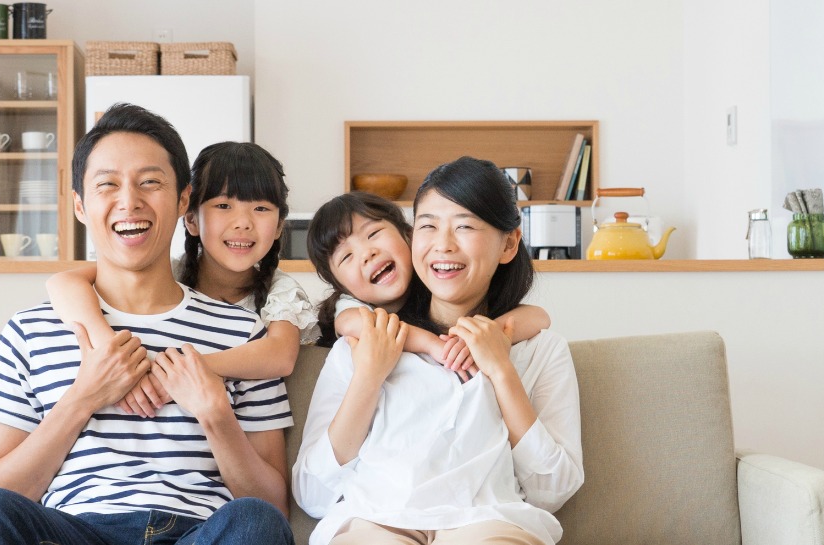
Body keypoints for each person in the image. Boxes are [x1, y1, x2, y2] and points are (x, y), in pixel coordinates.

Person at [0, 103, 295, 545]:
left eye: (150, 182)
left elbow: (274, 510)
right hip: (72, 532)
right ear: (80, 204)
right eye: (107, 184)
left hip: (197, 534)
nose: (129, 201)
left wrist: (216, 414)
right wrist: (83, 397)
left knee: (256, 522)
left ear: (183, 200)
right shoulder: (30, 331)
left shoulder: (242, 335)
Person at [293, 157, 584, 545]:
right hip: (374, 521)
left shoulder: (540, 349)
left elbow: (553, 490)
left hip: (490, 522)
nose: (443, 244)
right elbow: (313, 494)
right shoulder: (363, 343)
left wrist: (501, 371)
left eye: (464, 226)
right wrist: (369, 377)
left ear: (509, 243)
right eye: (429, 225)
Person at [45, 141, 313, 418]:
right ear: (191, 219)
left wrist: (178, 372)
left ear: (279, 226)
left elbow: (280, 356)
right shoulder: (168, 273)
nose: (243, 222)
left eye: (261, 209)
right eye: (223, 205)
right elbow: (62, 284)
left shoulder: (282, 291)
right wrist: (109, 350)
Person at [306, 192, 551, 378]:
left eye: (373, 234)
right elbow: (359, 324)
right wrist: (434, 346)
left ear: (408, 234)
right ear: (339, 285)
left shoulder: (437, 282)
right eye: (346, 256)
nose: (367, 253)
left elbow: (539, 317)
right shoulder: (349, 306)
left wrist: (482, 337)